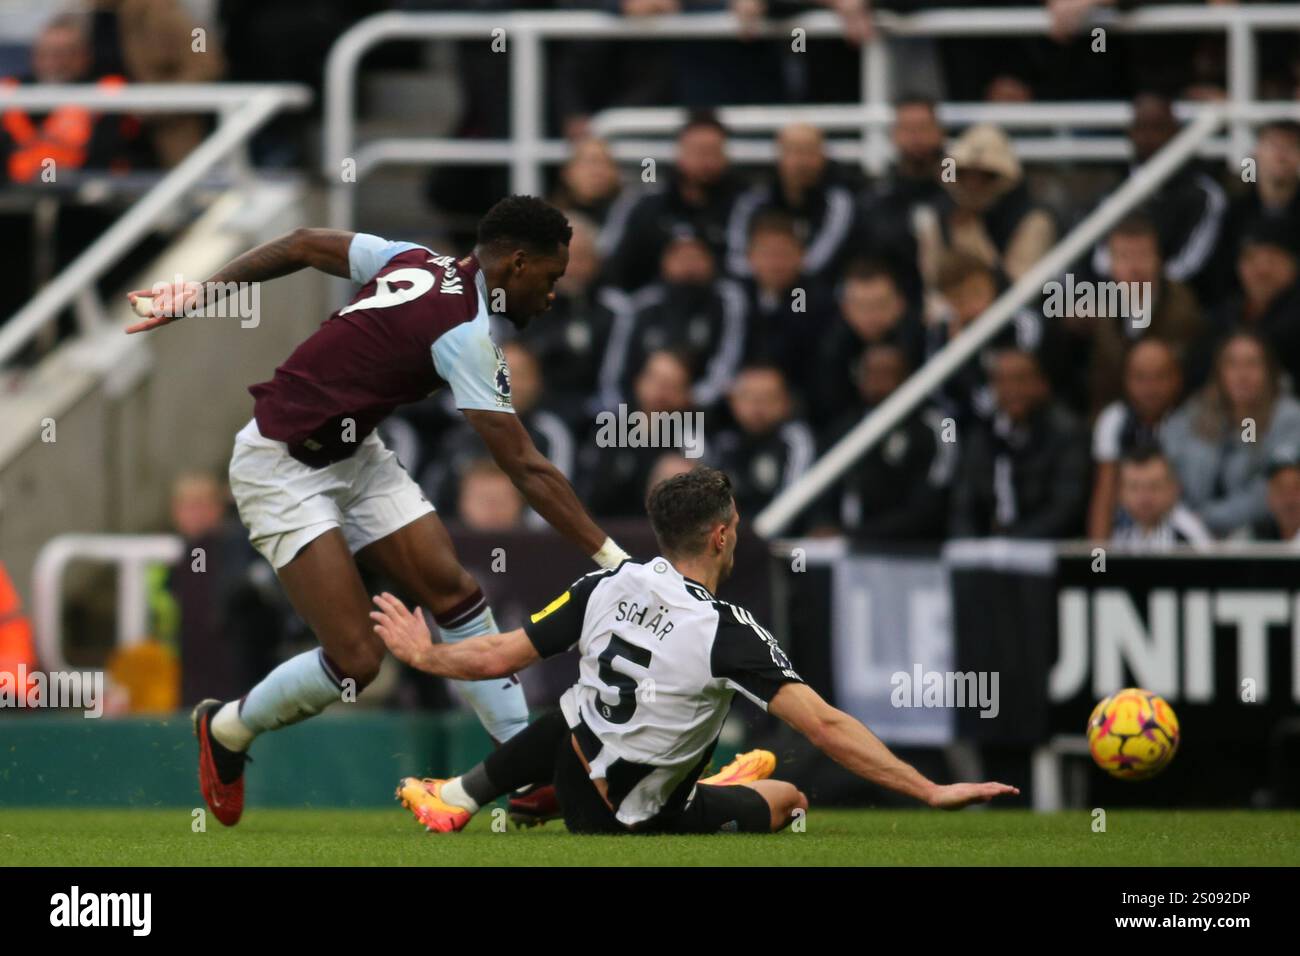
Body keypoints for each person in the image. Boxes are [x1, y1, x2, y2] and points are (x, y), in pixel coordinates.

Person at [125, 196, 633, 826]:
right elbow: (525, 465)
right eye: (552, 279)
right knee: (357, 664)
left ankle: (523, 768)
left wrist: (198, 292)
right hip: (279, 466)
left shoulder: (415, 259)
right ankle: (225, 730)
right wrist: (615, 560)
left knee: (453, 589)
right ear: (518, 264)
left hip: (354, 454)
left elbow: (307, 240)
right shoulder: (466, 334)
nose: (554, 294)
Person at [372, 467, 1018, 835]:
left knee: (582, 710)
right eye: (734, 526)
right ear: (719, 535)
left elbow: (498, 657)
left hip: (577, 772)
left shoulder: (607, 583)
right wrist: (927, 790)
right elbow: (824, 724)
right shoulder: (725, 629)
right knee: (791, 797)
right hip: (635, 820)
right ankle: (467, 795)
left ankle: (473, 791)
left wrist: (426, 654)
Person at [1163, 331, 1300, 537]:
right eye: (1232, 364)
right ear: (1219, 371)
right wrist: (1184, 518)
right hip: (1189, 532)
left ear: (1269, 371)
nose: (1242, 374)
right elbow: (1165, 465)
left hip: (1260, 536)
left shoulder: (1288, 418)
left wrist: (1206, 517)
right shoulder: (1197, 410)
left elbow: (1271, 490)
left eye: (1252, 364)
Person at [950, 349, 1089, 539]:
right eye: (1002, 381)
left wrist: (1011, 544)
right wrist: (969, 544)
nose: (1012, 389)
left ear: (1042, 383)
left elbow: (1065, 508)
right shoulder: (982, 433)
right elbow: (964, 503)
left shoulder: (1067, 433)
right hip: (989, 551)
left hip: (1047, 549)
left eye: (1021, 379)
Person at [1087, 339, 1184, 540]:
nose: (1150, 387)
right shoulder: (1114, 419)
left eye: (1159, 376)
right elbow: (1105, 495)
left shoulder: (1191, 419)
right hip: (1127, 528)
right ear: (1126, 380)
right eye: (1140, 377)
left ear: (1176, 378)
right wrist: (1098, 557)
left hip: (1178, 524)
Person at [1109, 447, 1212, 551]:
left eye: (1154, 487)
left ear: (1173, 488)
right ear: (1121, 492)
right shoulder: (1120, 528)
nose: (1144, 497)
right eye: (1134, 487)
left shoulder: (1186, 536)